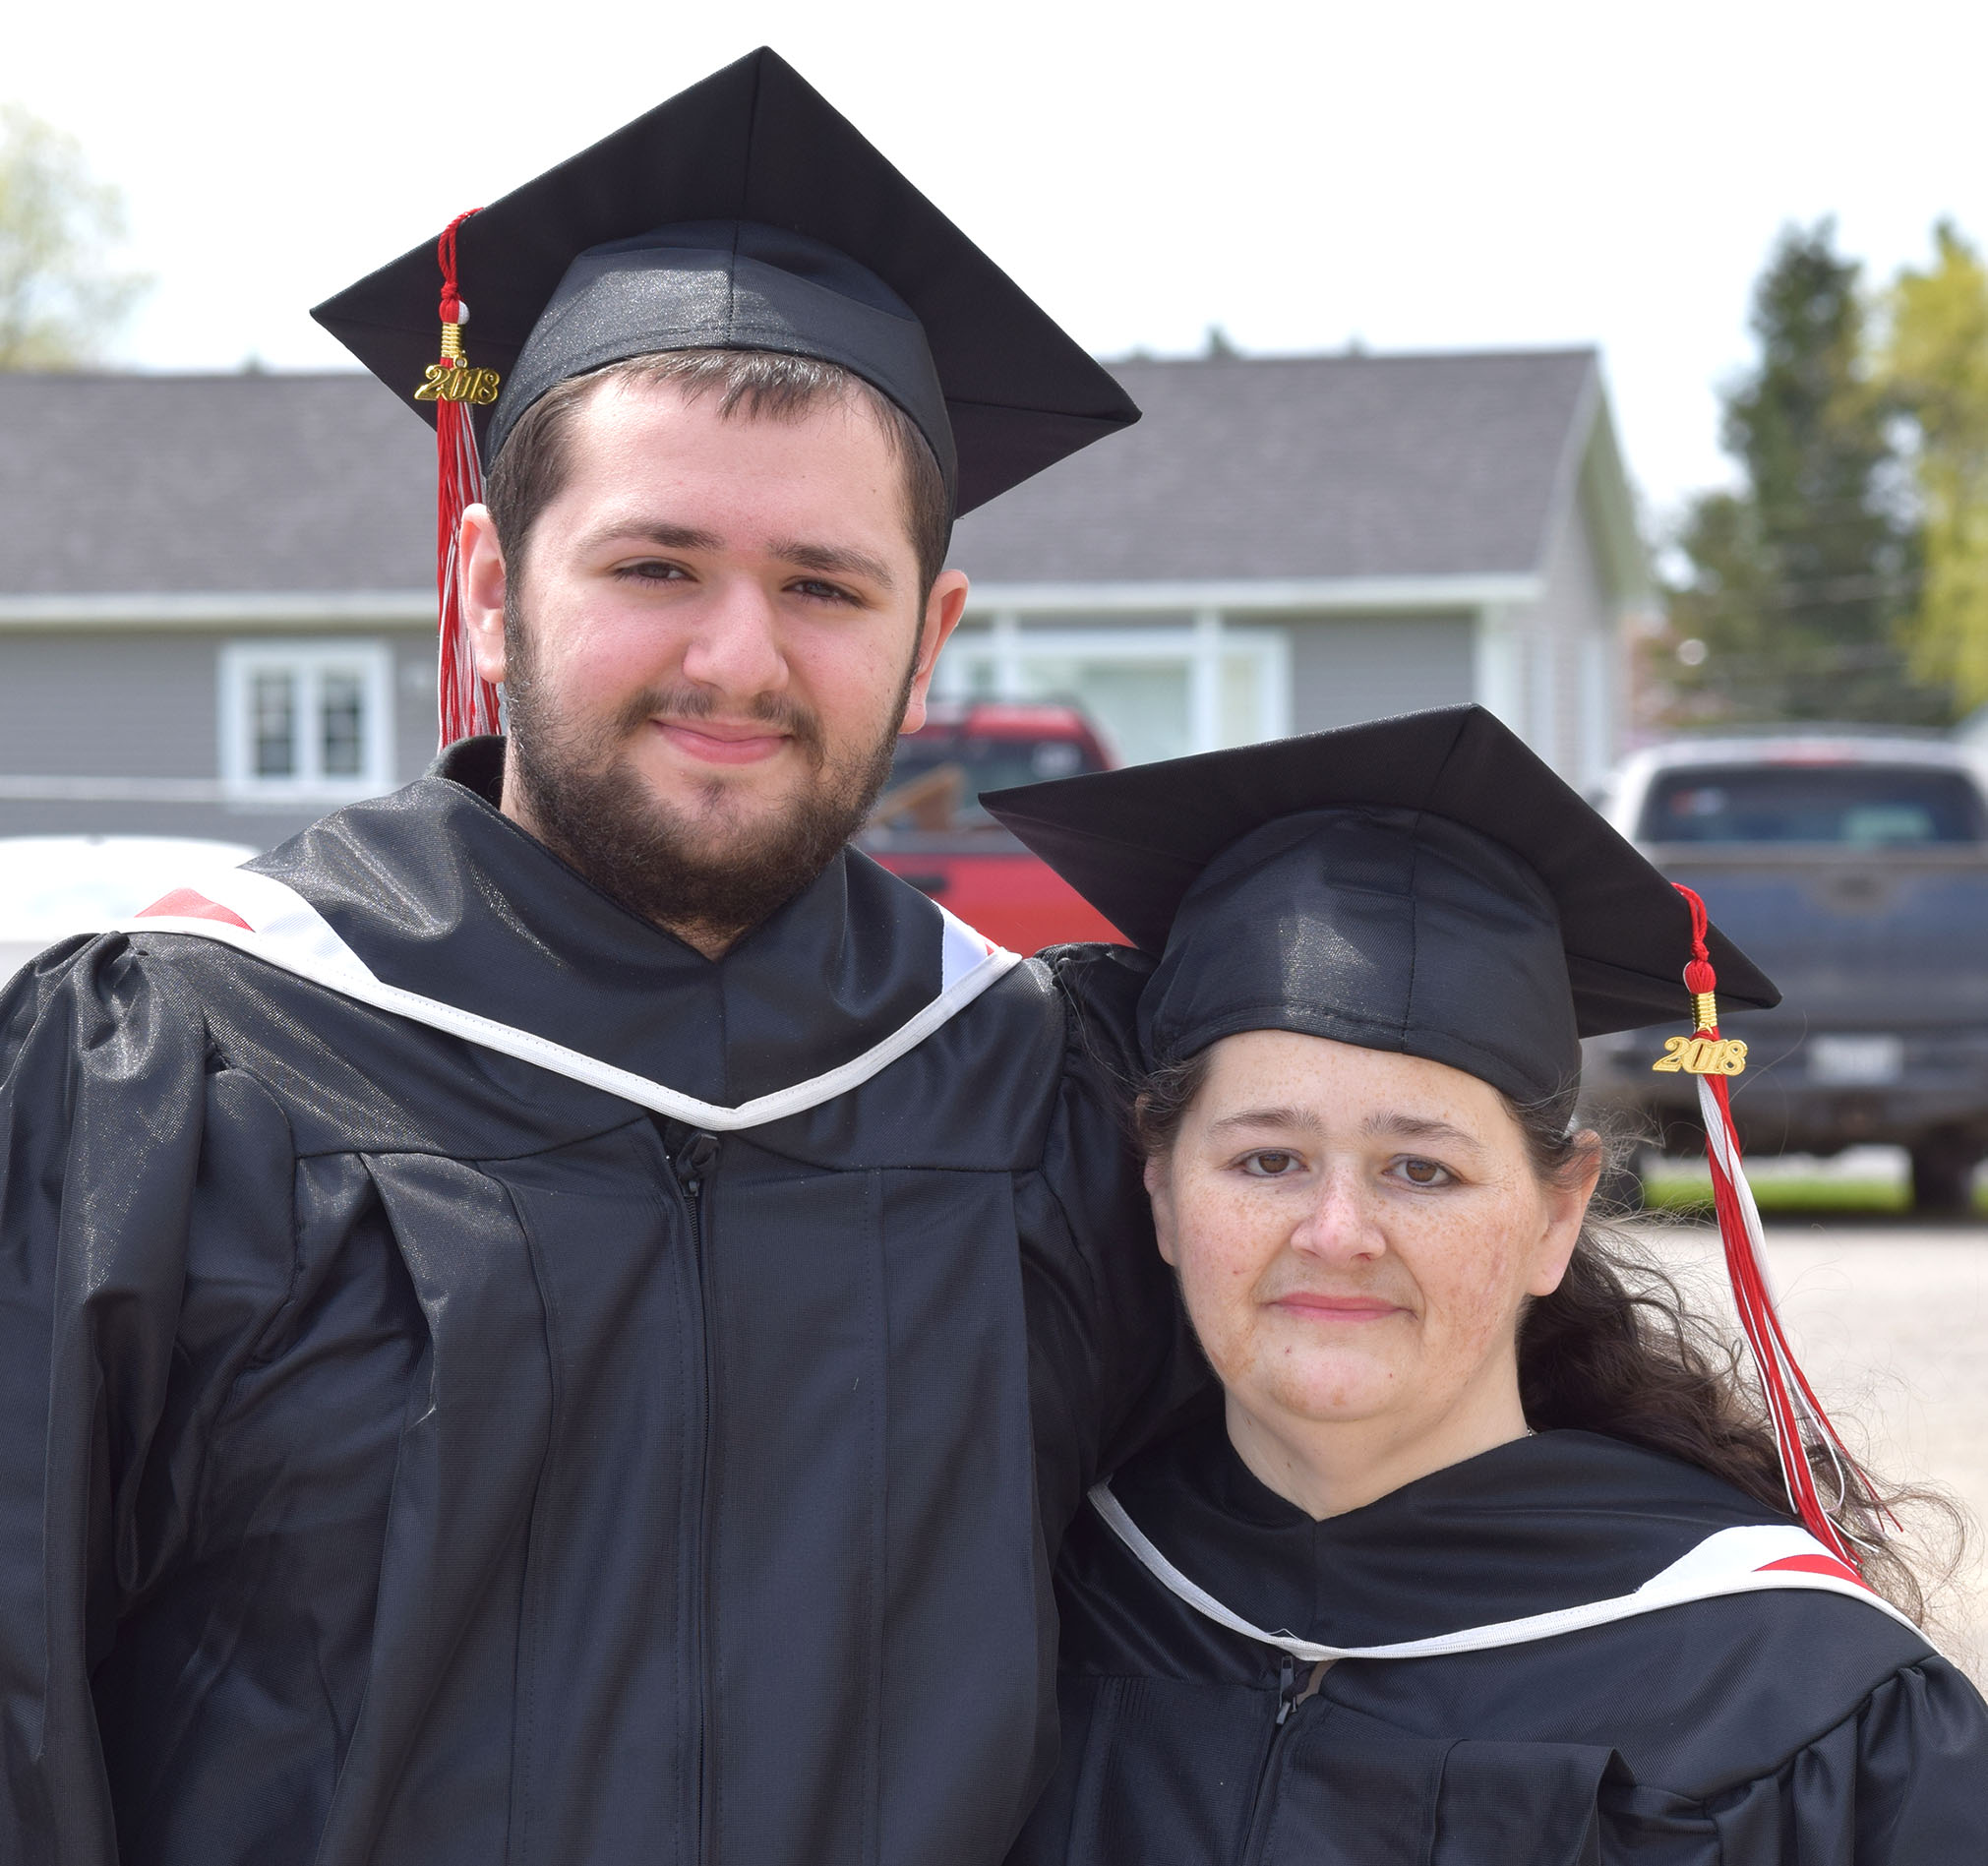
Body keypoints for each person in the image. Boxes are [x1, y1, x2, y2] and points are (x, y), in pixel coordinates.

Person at [0, 50, 1196, 1866]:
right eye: (654, 564)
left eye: (824, 584)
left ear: (930, 631)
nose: (737, 656)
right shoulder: (181, 1065)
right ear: (490, 585)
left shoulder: (1037, 1092)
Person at [987, 704, 1988, 1865]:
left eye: (1422, 1168)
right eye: (1266, 1159)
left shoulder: (1788, 1690)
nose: (1337, 1231)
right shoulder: (1061, 1590)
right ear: (1159, 1187)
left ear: (1555, 1214)